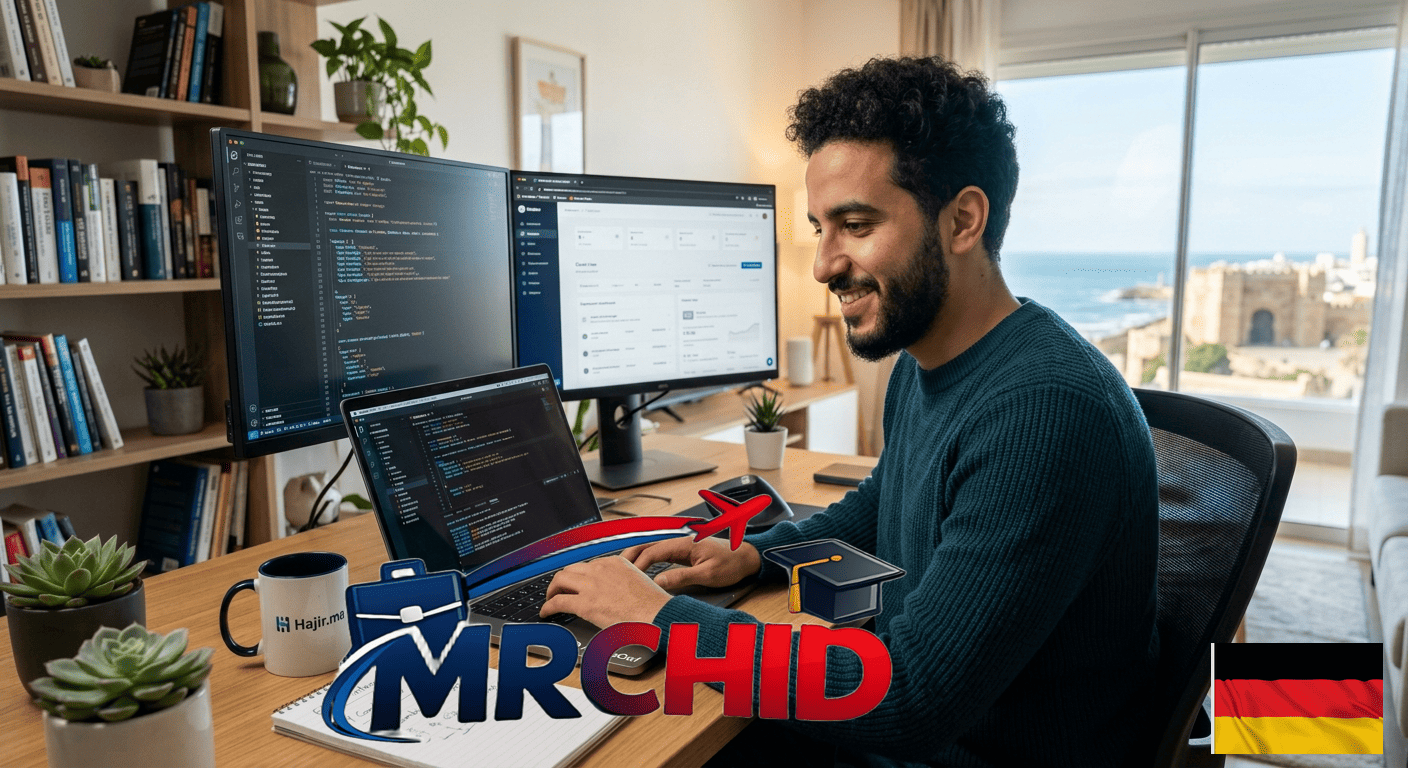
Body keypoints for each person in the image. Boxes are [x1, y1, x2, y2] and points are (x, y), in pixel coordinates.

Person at [540, 56, 1161, 767]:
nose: (823, 264)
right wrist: (751, 555)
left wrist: (658, 617)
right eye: (819, 227)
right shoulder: (930, 359)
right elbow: (882, 505)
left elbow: (908, 700)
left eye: (856, 225)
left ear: (963, 219)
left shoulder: (1043, 413)